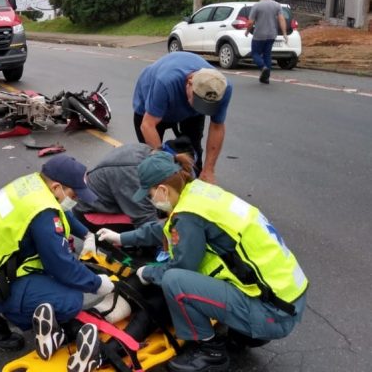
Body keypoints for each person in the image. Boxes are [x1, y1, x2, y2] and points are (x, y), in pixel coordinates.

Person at [97, 151, 308, 372]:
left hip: (273, 313)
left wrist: (147, 273)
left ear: (161, 190)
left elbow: (180, 267)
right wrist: (121, 237)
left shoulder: (188, 215)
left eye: (150, 194)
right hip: (288, 299)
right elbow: (168, 228)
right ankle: (248, 332)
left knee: (174, 280)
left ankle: (210, 351)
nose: (151, 201)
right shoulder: (199, 193)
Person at [0, 154, 111, 371]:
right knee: (72, 299)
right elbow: (62, 266)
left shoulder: (31, 185)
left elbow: (60, 212)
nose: (76, 200)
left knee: (51, 274)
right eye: (74, 194)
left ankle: (0, 309)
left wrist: (87, 234)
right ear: (57, 187)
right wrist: (96, 283)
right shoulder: (42, 212)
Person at [132, 52, 232, 184]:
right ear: (189, 83)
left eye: (206, 106)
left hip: (188, 113)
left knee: (194, 152)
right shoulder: (166, 82)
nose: (200, 108)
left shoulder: (222, 88)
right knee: (152, 161)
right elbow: (148, 125)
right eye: (198, 102)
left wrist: (209, 169)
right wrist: (164, 167)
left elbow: (217, 127)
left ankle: (191, 183)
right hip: (150, 108)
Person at [75, 138, 197, 228]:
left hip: (119, 197)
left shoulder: (148, 152)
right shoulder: (132, 174)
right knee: (151, 228)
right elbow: (146, 222)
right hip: (90, 212)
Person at [246, 0, 288, 84]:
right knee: (267, 54)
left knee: (255, 53)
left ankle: (263, 67)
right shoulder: (277, 5)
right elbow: (281, 19)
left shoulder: (256, 6)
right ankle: (266, 78)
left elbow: (251, 22)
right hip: (272, 34)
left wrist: (248, 31)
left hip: (259, 34)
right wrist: (285, 33)